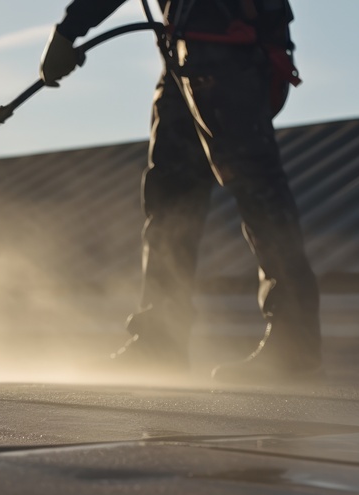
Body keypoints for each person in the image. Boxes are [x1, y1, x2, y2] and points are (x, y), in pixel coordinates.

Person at [40, 0, 322, 383]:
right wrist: (70, 31)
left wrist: (69, 31)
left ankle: (294, 345)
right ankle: (159, 343)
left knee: (256, 185)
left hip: (225, 43)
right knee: (170, 200)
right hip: (187, 49)